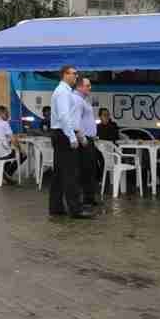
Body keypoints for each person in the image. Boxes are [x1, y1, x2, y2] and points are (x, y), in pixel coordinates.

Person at [49, 65, 93, 219]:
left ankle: (56, 207)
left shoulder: (64, 91)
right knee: (70, 173)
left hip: (60, 133)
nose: (76, 76)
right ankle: (76, 209)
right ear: (64, 74)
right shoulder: (62, 92)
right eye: (74, 73)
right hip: (63, 134)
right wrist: (72, 137)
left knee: (59, 173)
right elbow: (64, 116)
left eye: (76, 74)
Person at [73, 77, 101, 206]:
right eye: (87, 85)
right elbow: (76, 122)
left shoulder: (82, 100)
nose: (90, 88)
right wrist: (83, 139)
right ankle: (84, 199)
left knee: (90, 169)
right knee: (84, 170)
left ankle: (89, 197)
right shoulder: (77, 100)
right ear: (79, 87)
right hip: (84, 141)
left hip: (89, 139)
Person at [0, 106, 23, 184]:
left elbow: (1, 136)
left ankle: (4, 173)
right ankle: (7, 174)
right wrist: (21, 149)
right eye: (7, 113)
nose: (8, 115)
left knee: (9, 151)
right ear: (1, 113)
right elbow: (14, 140)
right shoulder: (4, 123)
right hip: (1, 153)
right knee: (22, 154)